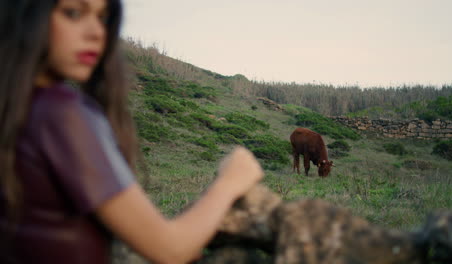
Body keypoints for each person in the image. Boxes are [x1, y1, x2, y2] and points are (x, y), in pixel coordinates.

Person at [0, 0, 264, 263]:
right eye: (73, 13)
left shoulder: (16, 106)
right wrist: (230, 181)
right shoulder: (61, 112)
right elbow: (171, 249)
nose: (97, 32)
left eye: (103, 18)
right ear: (27, 16)